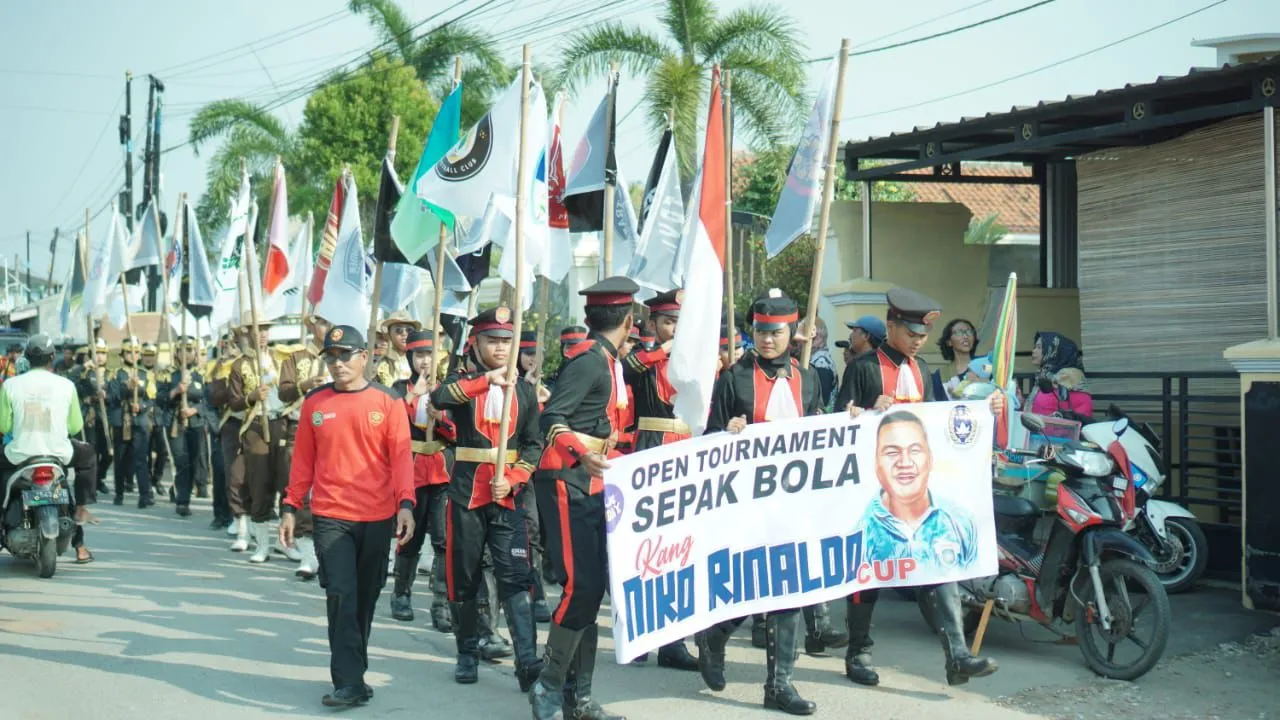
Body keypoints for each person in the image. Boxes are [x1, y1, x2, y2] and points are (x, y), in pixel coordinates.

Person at [836, 287, 1002, 688]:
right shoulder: (863, 367)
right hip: (871, 485)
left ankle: (957, 655)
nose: (917, 340)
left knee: (939, 562)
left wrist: (985, 410)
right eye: (911, 332)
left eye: (923, 335)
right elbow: (837, 420)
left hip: (916, 486)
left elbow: (942, 419)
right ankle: (858, 652)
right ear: (891, 326)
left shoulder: (922, 369)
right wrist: (857, 412)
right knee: (869, 571)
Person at [696, 288, 822, 717]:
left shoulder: (810, 379)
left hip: (796, 500)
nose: (767, 339)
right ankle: (716, 633)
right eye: (760, 331)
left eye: (776, 332)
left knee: (790, 588)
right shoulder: (733, 377)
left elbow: (826, 431)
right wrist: (725, 431)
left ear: (793, 333)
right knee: (753, 586)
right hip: (748, 501)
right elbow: (708, 439)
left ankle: (778, 684)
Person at [279, 324, 415, 708]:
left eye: (345, 356)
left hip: (377, 515)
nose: (338, 364)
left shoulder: (388, 402)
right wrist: (290, 507)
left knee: (366, 597)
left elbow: (402, 457)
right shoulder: (315, 404)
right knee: (341, 594)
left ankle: (355, 672)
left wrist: (406, 503)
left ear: (364, 357)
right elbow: (302, 462)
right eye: (331, 357)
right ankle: (348, 681)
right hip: (331, 515)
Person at [528, 277, 637, 720]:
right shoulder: (589, 362)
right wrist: (581, 453)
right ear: (629, 321)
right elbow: (552, 416)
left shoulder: (609, 360)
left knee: (591, 592)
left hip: (595, 482)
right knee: (581, 586)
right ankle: (548, 687)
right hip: (567, 480)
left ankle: (580, 697)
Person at [430, 308, 545, 690]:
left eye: (505, 340)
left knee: (515, 575)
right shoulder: (464, 383)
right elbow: (440, 397)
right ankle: (467, 651)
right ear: (475, 344)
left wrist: (514, 477)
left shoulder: (525, 391)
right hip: (466, 493)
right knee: (463, 576)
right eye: (492, 340)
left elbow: (533, 444)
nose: (500, 347)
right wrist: (486, 381)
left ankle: (527, 660)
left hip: (507, 496)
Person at [617, 288, 700, 672]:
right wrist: (666, 351)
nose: (676, 329)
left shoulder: (700, 360)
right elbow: (629, 367)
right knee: (643, 550)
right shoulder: (642, 359)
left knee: (679, 550)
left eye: (682, 322)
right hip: (650, 446)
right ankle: (636, 635)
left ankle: (673, 642)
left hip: (688, 450)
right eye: (669, 321)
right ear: (653, 324)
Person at [0, 334, 99, 564]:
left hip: (20, 454)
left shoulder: (11, 385)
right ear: (52, 358)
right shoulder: (67, 385)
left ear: (26, 357)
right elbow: (75, 426)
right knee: (88, 456)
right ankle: (82, 509)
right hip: (58, 453)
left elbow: (3, 425)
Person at [389, 330, 456, 627]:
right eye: (419, 355)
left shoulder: (448, 388)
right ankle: (401, 593)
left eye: (429, 354)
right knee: (409, 535)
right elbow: (392, 423)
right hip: (411, 468)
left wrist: (441, 419)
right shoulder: (398, 388)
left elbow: (459, 430)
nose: (424, 361)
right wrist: (414, 394)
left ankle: (440, 603)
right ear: (410, 358)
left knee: (443, 539)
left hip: (441, 469)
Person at [859, 410, 979, 570]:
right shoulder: (861, 533)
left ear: (930, 459)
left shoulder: (962, 523)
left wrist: (992, 406)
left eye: (915, 451)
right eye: (892, 452)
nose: (905, 462)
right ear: (876, 464)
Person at [227, 313, 292, 563]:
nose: (263, 333)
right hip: (255, 426)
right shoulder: (239, 365)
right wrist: (251, 397)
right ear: (247, 333)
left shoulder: (281, 359)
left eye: (266, 328)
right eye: (257, 329)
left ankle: (286, 542)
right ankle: (262, 544)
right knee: (259, 483)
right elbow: (233, 402)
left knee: (286, 482)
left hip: (281, 423)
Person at [278, 314, 333, 578]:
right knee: (300, 488)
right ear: (310, 325)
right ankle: (307, 550)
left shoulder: (341, 357)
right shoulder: (296, 357)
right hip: (298, 429)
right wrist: (305, 385)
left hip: (333, 433)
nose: (328, 327)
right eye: (322, 321)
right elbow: (284, 391)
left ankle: (328, 551)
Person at [106, 336, 158, 508]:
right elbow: (112, 398)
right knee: (120, 459)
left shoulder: (146, 374)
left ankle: (144, 495)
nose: (133, 355)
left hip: (140, 421)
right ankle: (119, 493)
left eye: (136, 352)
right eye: (129, 352)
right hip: (121, 420)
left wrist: (141, 406)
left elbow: (152, 398)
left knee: (141, 459)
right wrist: (126, 387)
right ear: (123, 354)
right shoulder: (115, 373)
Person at [163, 337, 210, 517]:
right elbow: (160, 399)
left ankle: (182, 492)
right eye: (182, 350)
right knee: (182, 462)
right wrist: (175, 391)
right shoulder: (169, 374)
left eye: (189, 350)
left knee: (193, 462)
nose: (186, 354)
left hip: (195, 424)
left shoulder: (201, 375)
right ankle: (183, 501)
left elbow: (209, 401)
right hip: (176, 424)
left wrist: (194, 409)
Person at [207, 332, 242, 534]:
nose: (231, 350)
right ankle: (220, 514)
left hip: (243, 424)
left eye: (234, 346)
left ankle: (239, 515)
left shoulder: (246, 366)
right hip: (222, 424)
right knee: (221, 471)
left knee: (241, 474)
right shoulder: (216, 368)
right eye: (227, 346)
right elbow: (210, 400)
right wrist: (215, 425)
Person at [75, 337, 113, 498]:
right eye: (97, 353)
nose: (100, 356)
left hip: (106, 417)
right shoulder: (85, 372)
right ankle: (91, 484)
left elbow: (117, 394)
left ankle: (99, 478)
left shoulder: (112, 374)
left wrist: (107, 396)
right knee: (91, 452)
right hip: (90, 416)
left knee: (108, 453)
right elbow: (71, 383)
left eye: (103, 353)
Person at [1028, 331, 1092, 419]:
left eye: (1039, 347)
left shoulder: (1068, 378)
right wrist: (1021, 402)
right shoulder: (1044, 375)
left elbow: (1073, 415)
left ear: (1054, 350)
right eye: (1035, 347)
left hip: (1059, 431)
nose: (1033, 351)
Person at [141, 342, 171, 498]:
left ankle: (156, 479)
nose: (148, 359)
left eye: (151, 356)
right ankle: (146, 484)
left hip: (159, 417)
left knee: (163, 451)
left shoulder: (162, 373)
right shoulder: (137, 373)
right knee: (145, 453)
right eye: (146, 355)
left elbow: (165, 395)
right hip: (144, 417)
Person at [932, 318, 979, 401]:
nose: (965, 336)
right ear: (949, 342)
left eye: (969, 332)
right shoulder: (941, 375)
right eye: (959, 333)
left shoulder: (984, 365)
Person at [372, 311, 420, 387]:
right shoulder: (384, 365)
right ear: (389, 335)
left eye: (409, 330)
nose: (404, 334)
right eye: (399, 330)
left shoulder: (422, 359)